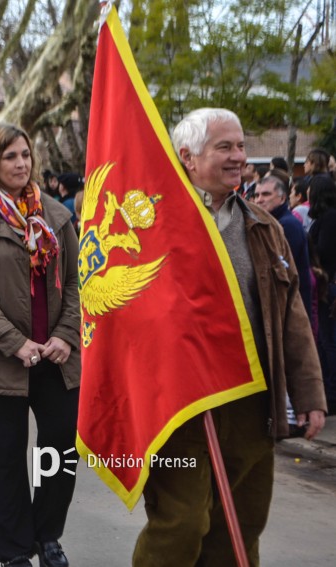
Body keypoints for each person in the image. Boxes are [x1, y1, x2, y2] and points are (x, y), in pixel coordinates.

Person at [132, 108, 327, 566]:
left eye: (241, 146)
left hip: (251, 403)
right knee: (180, 525)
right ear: (187, 157)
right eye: (226, 147)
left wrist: (310, 394)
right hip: (178, 408)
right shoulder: (148, 228)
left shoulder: (265, 227)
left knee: (239, 526)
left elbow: (291, 317)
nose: (240, 157)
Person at [0, 123, 81, 567]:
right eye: (10, 156)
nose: (21, 163)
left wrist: (64, 335)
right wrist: (14, 341)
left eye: (25, 155)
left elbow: (79, 283)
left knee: (58, 447)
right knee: (0, 459)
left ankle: (46, 535)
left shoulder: (57, 215)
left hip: (54, 356)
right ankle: (14, 551)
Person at [253, 175, 312, 316]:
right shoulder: (270, 223)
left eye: (266, 194)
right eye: (256, 195)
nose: (259, 200)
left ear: (282, 198)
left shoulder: (286, 225)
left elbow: (280, 271)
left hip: (291, 308)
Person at [308, 174, 336, 408]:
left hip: (329, 287)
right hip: (328, 286)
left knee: (328, 343)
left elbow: (325, 252)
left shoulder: (329, 219)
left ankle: (332, 394)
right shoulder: (327, 218)